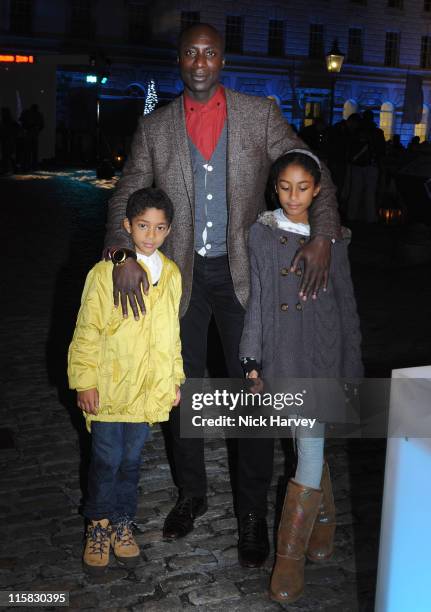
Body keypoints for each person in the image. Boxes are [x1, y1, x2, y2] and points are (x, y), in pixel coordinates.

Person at [104, 22, 341, 568]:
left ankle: (252, 514)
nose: (201, 61)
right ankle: (192, 493)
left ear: (223, 60)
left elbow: (312, 169)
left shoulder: (258, 115)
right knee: (180, 387)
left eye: (210, 52)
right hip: (178, 280)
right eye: (191, 52)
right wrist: (121, 255)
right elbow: (125, 196)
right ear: (180, 60)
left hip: (244, 278)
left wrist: (323, 235)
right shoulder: (157, 128)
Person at [239, 149, 363, 602]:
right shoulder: (261, 234)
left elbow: (347, 306)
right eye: (286, 187)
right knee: (302, 443)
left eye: (304, 187)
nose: (294, 196)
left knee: (309, 446)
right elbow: (258, 300)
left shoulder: (334, 239)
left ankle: (288, 560)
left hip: (324, 354)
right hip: (283, 354)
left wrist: (353, 369)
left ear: (318, 189)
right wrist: (251, 359)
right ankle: (323, 526)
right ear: (275, 188)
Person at [68, 188, 185, 574]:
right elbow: (87, 330)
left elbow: (172, 334)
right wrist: (84, 380)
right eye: (142, 226)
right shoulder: (104, 274)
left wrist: (174, 378)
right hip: (109, 388)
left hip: (145, 391)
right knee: (106, 459)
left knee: (132, 461)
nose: (150, 235)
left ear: (169, 230)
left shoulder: (171, 275)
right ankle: (97, 524)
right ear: (127, 226)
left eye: (159, 227)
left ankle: (122, 522)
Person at [20, 103, 44, 170]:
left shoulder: (27, 113)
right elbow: (42, 125)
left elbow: (22, 121)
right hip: (32, 134)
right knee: (32, 151)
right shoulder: (38, 114)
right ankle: (31, 165)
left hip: (30, 134)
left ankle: (26, 165)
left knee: (28, 151)